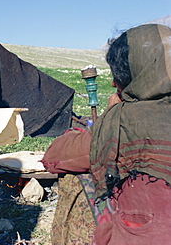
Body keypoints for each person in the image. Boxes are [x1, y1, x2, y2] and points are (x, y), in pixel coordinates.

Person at [41, 24, 171, 244]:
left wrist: (110, 116)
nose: (113, 82)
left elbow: (55, 156)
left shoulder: (125, 120)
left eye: (119, 74)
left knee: (78, 177)